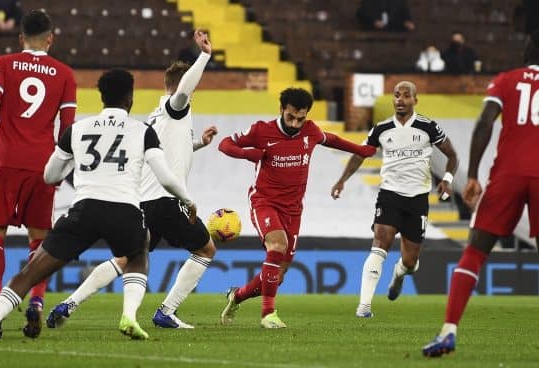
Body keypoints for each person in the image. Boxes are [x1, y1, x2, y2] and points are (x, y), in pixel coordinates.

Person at [0, 68, 197, 342]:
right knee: (139, 252)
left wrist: (76, 162)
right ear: (129, 99)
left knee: (31, 271)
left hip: (84, 210)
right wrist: (187, 200)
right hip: (125, 210)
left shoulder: (77, 130)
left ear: (101, 97)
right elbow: (165, 176)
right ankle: (129, 316)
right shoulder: (142, 131)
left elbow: (50, 176)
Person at [45, 30, 218, 330]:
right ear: (182, 89)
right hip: (167, 200)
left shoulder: (155, 117)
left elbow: (167, 151)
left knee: (127, 258)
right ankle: (166, 311)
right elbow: (182, 92)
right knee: (206, 250)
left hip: (144, 202)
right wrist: (204, 56)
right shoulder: (175, 106)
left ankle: (69, 302)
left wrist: (199, 143)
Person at [0, 9, 76, 339]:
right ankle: (35, 302)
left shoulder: (3, 64)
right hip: (42, 165)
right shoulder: (65, 74)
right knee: (40, 241)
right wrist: (63, 165)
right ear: (51, 38)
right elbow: (67, 127)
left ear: (21, 38)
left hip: (6, 162)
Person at [422, 31, 539, 357]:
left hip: (508, 175)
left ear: (527, 50)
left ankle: (448, 331)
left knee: (475, 251)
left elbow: (484, 122)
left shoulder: (507, 80)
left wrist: (472, 174)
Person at [219, 88, 377, 328]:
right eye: (290, 117)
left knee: (277, 276)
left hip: (293, 209)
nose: (295, 123)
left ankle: (237, 295)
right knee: (277, 246)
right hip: (264, 202)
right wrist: (246, 154)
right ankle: (268, 314)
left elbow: (331, 140)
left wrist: (360, 149)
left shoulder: (310, 130)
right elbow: (224, 143)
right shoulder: (261, 130)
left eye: (300, 118)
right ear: (281, 110)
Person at [331, 81, 458, 318]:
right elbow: (361, 155)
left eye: (406, 95)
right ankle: (364, 306)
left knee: (410, 262)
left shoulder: (428, 127)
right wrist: (342, 180)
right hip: (389, 195)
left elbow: (452, 156)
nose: (400, 99)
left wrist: (448, 179)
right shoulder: (381, 129)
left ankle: (399, 274)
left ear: (415, 100)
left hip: (418, 199)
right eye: (396, 95)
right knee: (380, 243)